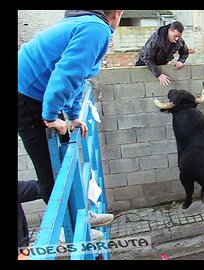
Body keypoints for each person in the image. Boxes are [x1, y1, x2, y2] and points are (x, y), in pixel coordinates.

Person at [17, 10, 124, 259]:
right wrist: (52, 116)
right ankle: (74, 231)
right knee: (50, 173)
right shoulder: (95, 29)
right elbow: (67, 73)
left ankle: (82, 216)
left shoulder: (89, 25)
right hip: (26, 97)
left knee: (68, 154)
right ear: (117, 12)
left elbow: (79, 78)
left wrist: (74, 115)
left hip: (34, 96)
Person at [135, 21, 189, 86]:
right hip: (144, 62)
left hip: (162, 62)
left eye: (179, 36)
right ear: (170, 30)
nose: (177, 39)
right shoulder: (155, 40)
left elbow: (185, 52)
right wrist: (159, 74)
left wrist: (180, 61)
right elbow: (147, 58)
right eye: (175, 36)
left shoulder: (179, 41)